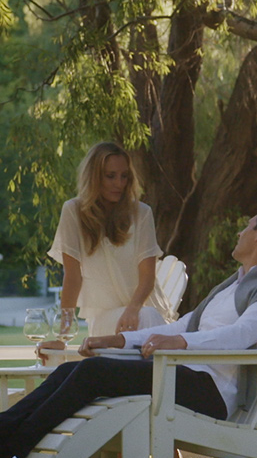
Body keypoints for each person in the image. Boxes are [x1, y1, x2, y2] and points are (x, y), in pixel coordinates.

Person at [0, 208, 257, 458]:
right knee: (72, 368)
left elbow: (236, 338)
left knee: (94, 372)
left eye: (248, 224)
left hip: (211, 392)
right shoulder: (233, 286)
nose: (241, 230)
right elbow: (186, 324)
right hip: (182, 375)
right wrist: (119, 339)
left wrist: (178, 342)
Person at [49, 141, 170, 338]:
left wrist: (132, 309)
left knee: (146, 317)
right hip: (104, 319)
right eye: (110, 176)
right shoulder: (73, 212)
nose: (119, 184)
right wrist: (62, 337)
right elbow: (72, 278)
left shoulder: (141, 213)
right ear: (94, 177)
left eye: (124, 176)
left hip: (143, 310)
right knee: (146, 321)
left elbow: (147, 276)